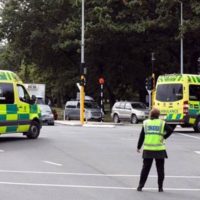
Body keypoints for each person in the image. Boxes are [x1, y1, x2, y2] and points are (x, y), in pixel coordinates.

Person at [137, 107, 173, 192]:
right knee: (160, 169)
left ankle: (140, 186)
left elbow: (141, 136)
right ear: (158, 115)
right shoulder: (162, 123)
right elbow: (170, 130)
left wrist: (138, 146)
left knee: (145, 169)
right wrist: (164, 137)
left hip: (148, 150)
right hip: (159, 150)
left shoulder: (146, 123)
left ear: (151, 114)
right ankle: (160, 188)